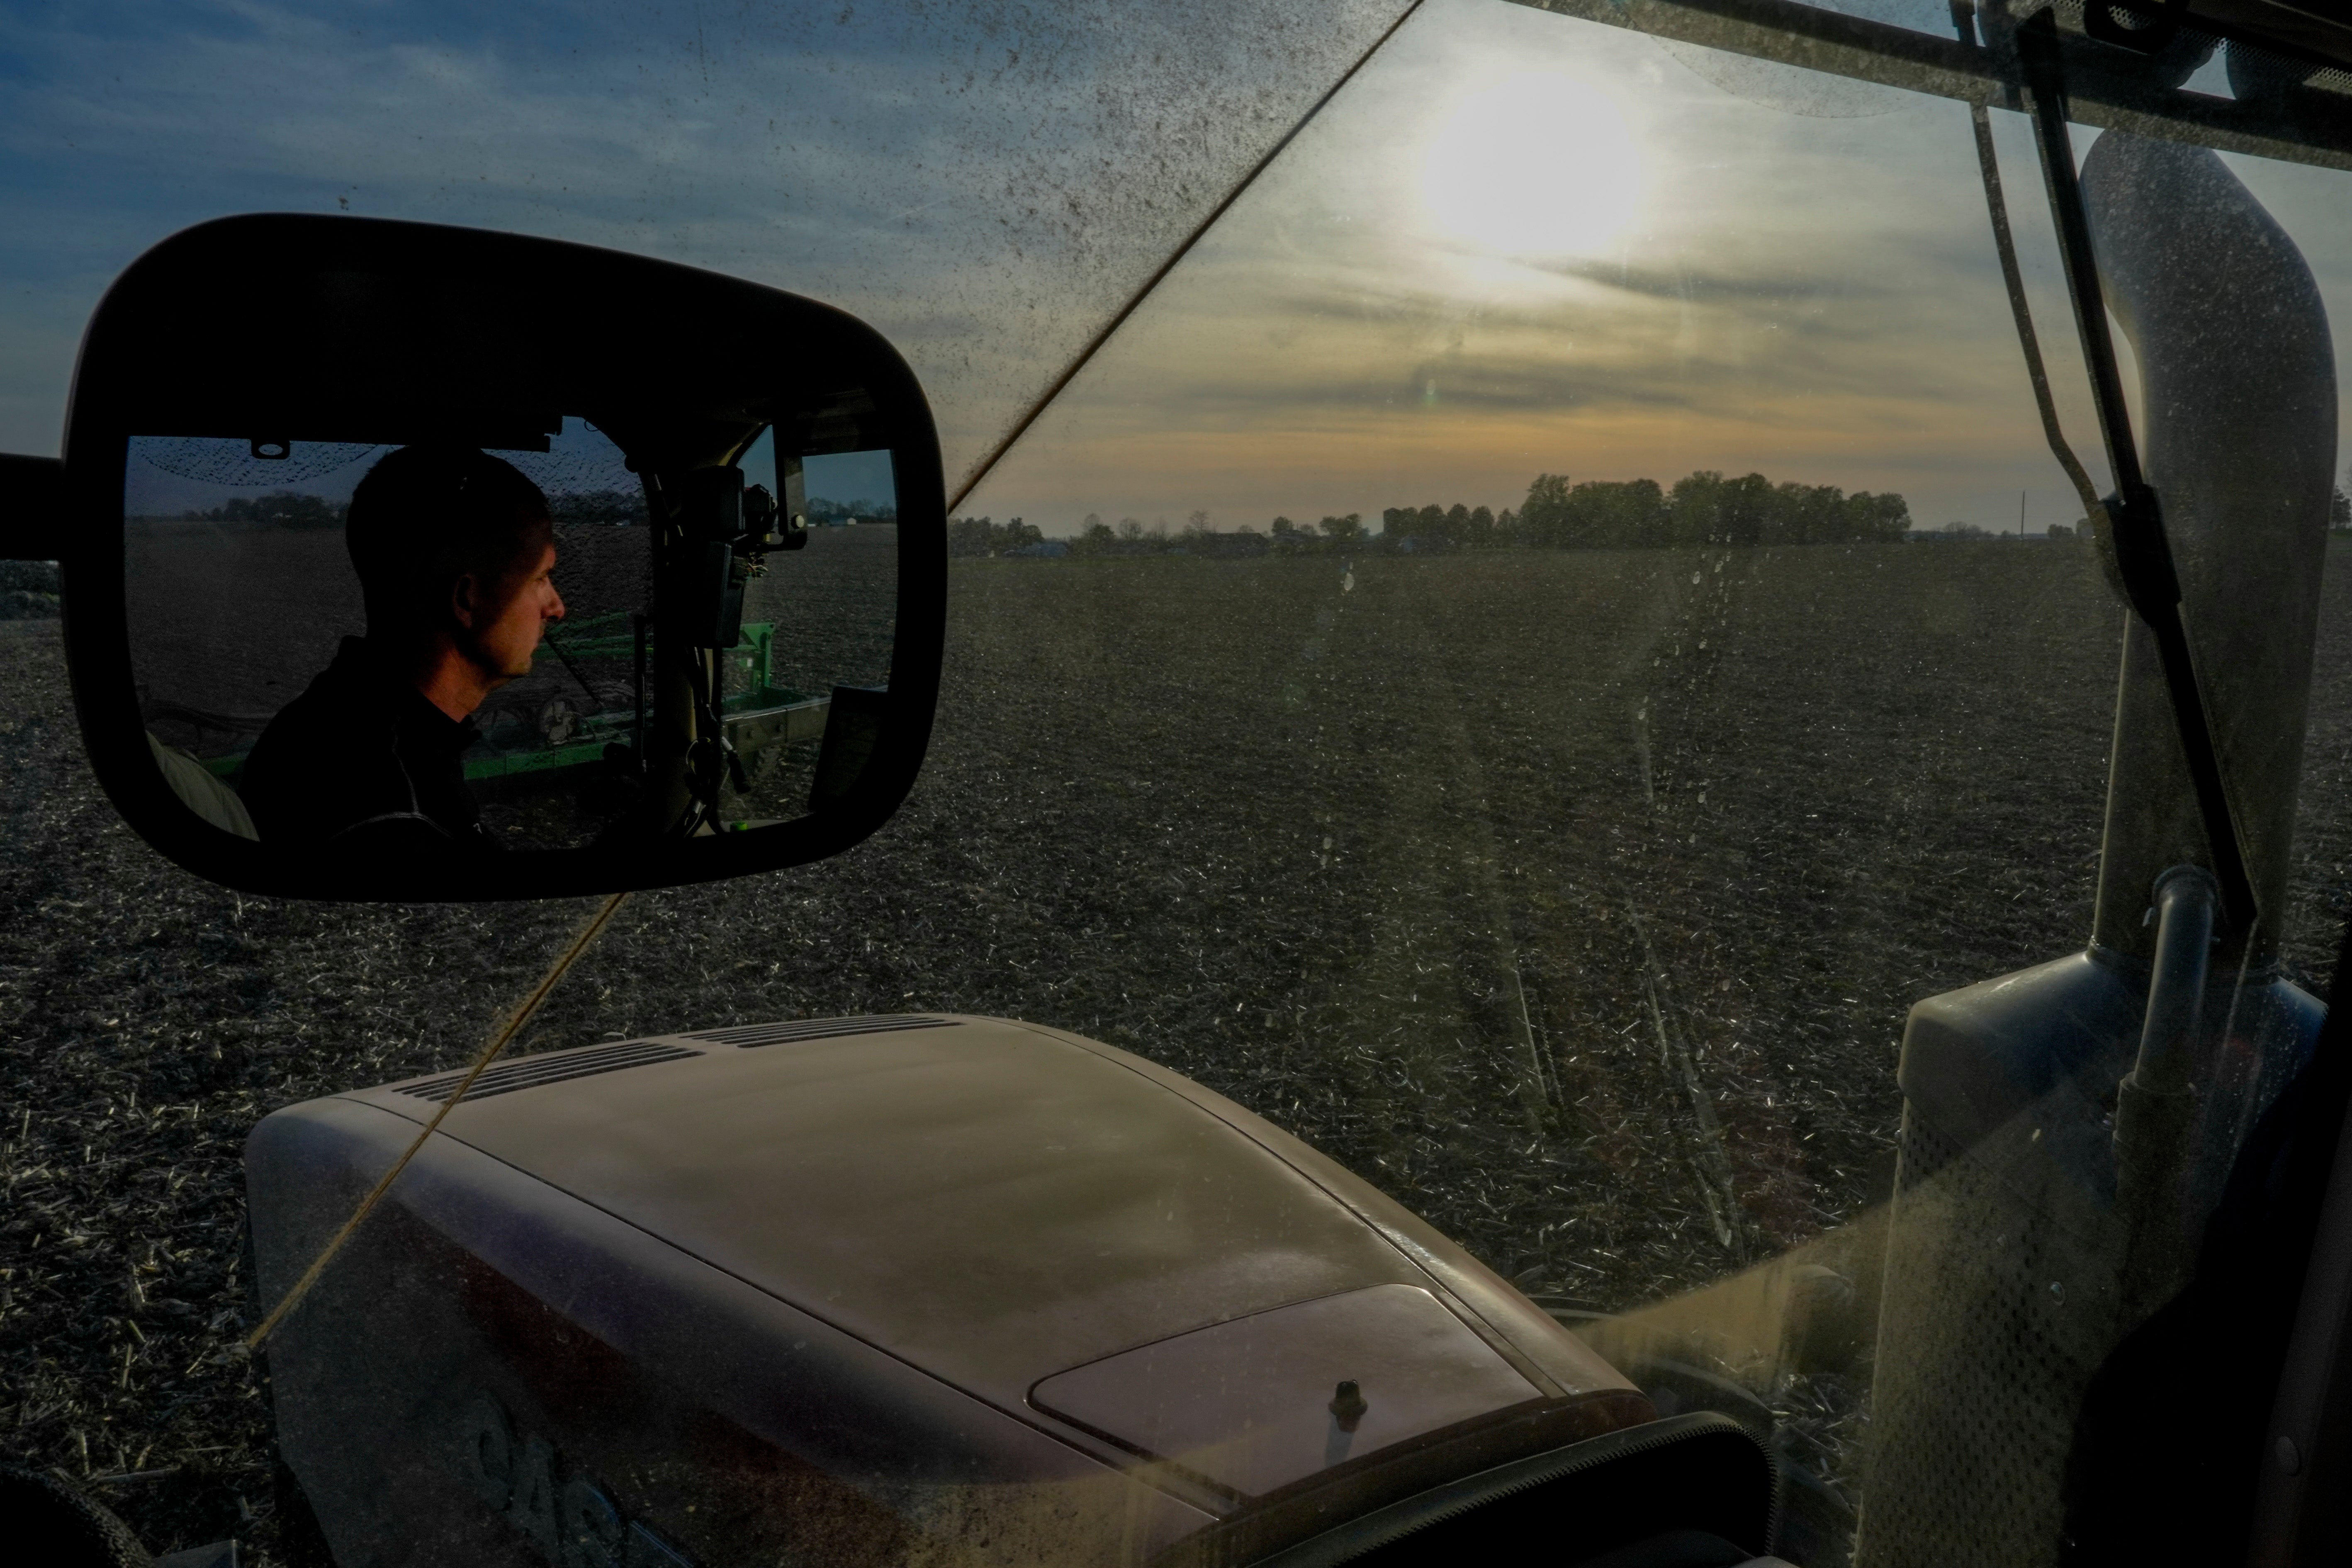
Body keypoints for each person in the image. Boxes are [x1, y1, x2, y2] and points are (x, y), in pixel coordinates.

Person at [239, 445, 565, 851]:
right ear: (467, 598)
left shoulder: (337, 714)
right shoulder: (392, 815)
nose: (557, 608)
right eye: (540, 579)